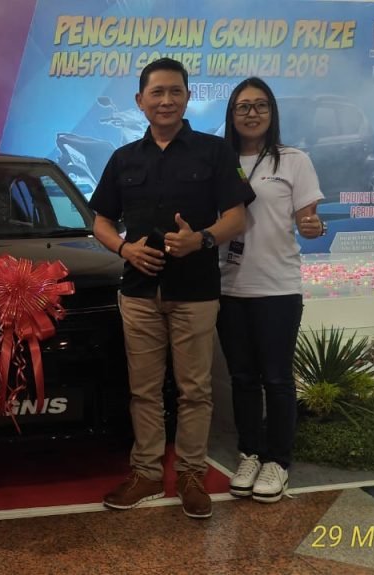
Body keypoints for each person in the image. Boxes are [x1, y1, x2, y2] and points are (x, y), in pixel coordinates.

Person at [88, 58, 254, 519]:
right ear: (140, 101)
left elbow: (237, 216)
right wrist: (125, 249)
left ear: (187, 97)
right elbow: (101, 221)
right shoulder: (123, 158)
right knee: (143, 390)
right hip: (139, 293)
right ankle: (145, 473)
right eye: (157, 92)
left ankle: (191, 475)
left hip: (195, 291)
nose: (166, 100)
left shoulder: (214, 152)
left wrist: (201, 239)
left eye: (175, 91)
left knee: (194, 390)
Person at [218, 77, 325, 503]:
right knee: (242, 378)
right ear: (231, 114)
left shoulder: (294, 160)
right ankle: (250, 454)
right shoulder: (219, 160)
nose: (252, 113)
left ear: (272, 112)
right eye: (243, 106)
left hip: (277, 286)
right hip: (228, 285)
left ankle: (278, 461)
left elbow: (309, 221)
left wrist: (315, 227)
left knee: (277, 378)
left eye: (260, 105)